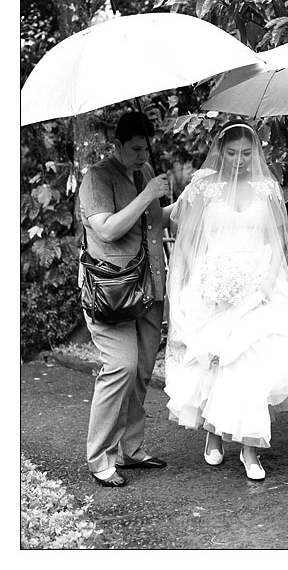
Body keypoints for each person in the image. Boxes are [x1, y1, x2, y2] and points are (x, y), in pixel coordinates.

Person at [164, 119, 288, 480]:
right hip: (212, 285)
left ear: (256, 152)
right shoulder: (204, 187)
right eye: (232, 153)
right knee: (216, 363)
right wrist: (200, 282)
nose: (239, 160)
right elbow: (187, 243)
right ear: (221, 151)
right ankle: (214, 433)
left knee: (253, 365)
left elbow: (278, 243)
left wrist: (265, 284)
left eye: (247, 153)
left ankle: (250, 448)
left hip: (261, 284)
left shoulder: (267, 188)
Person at [79, 111, 172, 487]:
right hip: (111, 290)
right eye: (135, 149)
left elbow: (152, 223)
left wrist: (181, 205)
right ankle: (99, 457)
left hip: (148, 285)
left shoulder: (145, 171)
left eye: (146, 149)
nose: (142, 156)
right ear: (117, 145)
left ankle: (129, 451)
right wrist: (148, 194)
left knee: (142, 371)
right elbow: (107, 229)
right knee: (120, 366)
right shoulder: (97, 177)